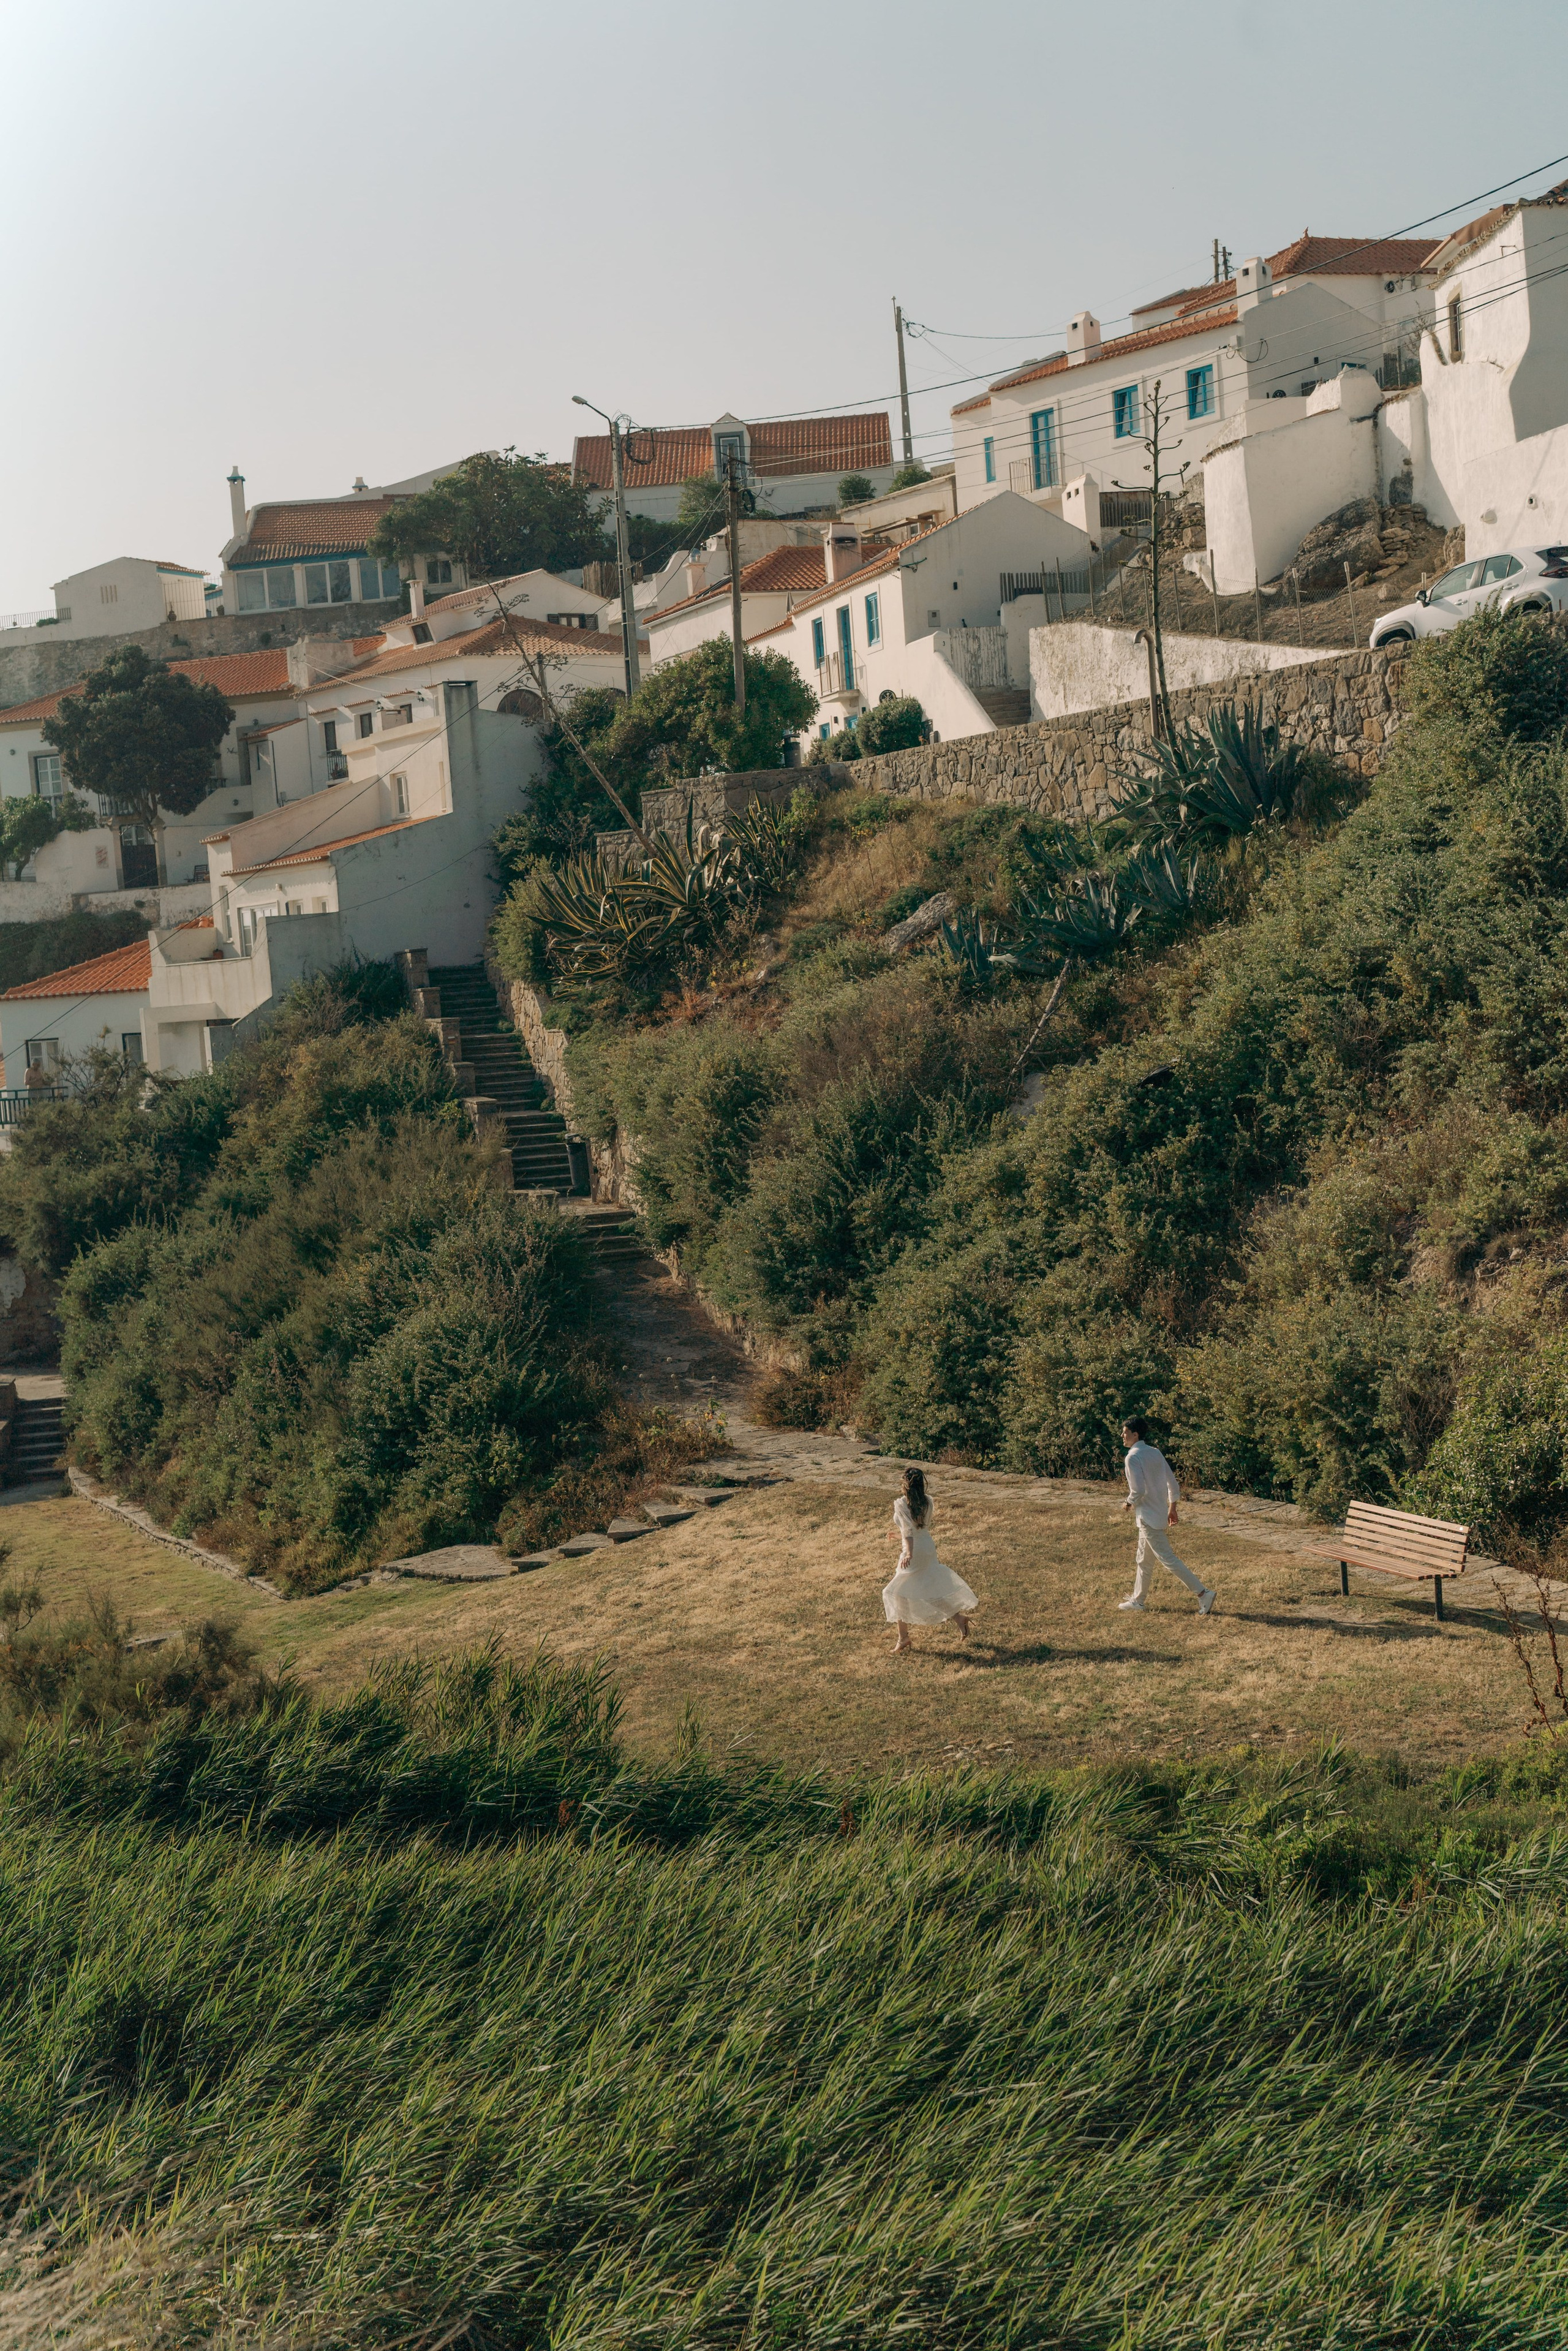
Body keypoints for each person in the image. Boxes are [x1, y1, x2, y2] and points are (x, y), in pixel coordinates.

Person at [1118, 1417, 1216, 1615]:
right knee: (1143, 1559)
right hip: (1158, 1514)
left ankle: (1203, 1593)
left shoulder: (1132, 1457)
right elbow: (1173, 1484)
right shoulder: (1155, 1452)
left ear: (1135, 1435)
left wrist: (1128, 1503)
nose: (1122, 1436)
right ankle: (1138, 1601)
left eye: (1125, 1432)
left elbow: (1138, 1490)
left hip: (1147, 1517)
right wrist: (1173, 1508)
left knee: (1167, 1559)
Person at [883, 1466, 978, 1653]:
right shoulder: (928, 1501)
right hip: (927, 1547)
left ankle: (904, 1638)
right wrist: (898, 1537)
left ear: (905, 1484)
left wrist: (909, 1553)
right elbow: (917, 1529)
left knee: (895, 1592)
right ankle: (958, 1619)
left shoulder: (902, 1504)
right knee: (925, 1589)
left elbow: (909, 1532)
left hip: (915, 1551)